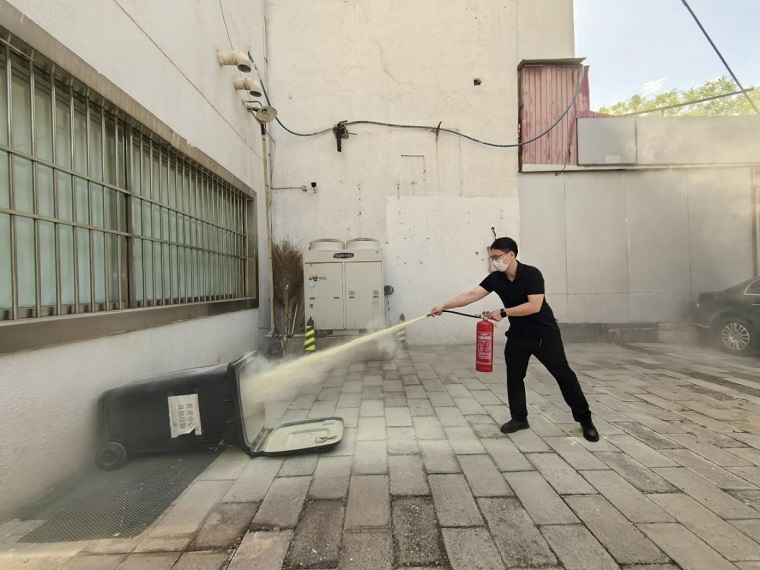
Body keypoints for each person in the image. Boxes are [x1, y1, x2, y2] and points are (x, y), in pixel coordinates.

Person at [430, 237, 599, 442]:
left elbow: (534, 305)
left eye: (497, 256)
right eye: (492, 257)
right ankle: (519, 418)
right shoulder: (496, 279)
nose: (494, 261)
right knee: (514, 377)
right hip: (518, 336)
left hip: (544, 335)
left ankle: (585, 420)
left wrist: (503, 312)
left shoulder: (532, 274)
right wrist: (444, 306)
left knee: (564, 376)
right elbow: (472, 294)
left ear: (511, 255)